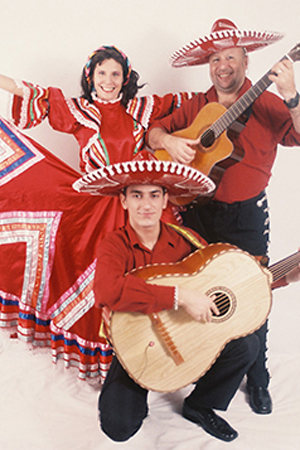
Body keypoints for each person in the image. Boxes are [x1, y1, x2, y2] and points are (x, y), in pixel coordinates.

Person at [0, 46, 196, 382]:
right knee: (100, 283)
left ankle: (155, 354)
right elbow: (29, 92)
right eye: (102, 73)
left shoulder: (140, 108)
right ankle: (109, 359)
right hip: (96, 208)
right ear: (91, 76)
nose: (108, 80)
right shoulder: (79, 111)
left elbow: (193, 103)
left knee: (155, 274)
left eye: (115, 74)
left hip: (140, 203)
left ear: (125, 79)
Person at [85, 156, 300, 443]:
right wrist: (179, 296)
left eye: (154, 195)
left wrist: (286, 278)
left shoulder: (187, 241)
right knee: (119, 428)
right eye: (136, 195)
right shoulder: (115, 244)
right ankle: (147, 386)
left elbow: (231, 285)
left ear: (165, 201)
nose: (146, 205)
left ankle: (200, 405)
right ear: (124, 201)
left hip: (189, 337)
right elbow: (107, 291)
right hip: (138, 345)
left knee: (247, 345)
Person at [147, 18, 300, 415]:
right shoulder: (198, 105)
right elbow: (154, 132)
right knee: (199, 294)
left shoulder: (268, 102)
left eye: (230, 57)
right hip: (197, 216)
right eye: (216, 59)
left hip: (247, 216)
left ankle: (259, 377)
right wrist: (168, 142)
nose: (223, 66)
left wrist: (292, 94)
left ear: (246, 61)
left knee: (255, 293)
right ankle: (209, 368)